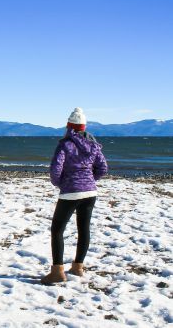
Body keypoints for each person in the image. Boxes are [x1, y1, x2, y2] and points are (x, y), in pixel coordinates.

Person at [41, 108, 108, 285]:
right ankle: (78, 268)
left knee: (57, 230)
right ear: (83, 127)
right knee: (83, 229)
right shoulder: (93, 144)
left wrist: (60, 183)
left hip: (71, 191)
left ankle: (57, 272)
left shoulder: (65, 144)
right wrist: (89, 180)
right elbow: (103, 168)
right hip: (90, 192)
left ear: (69, 126)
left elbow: (56, 169)